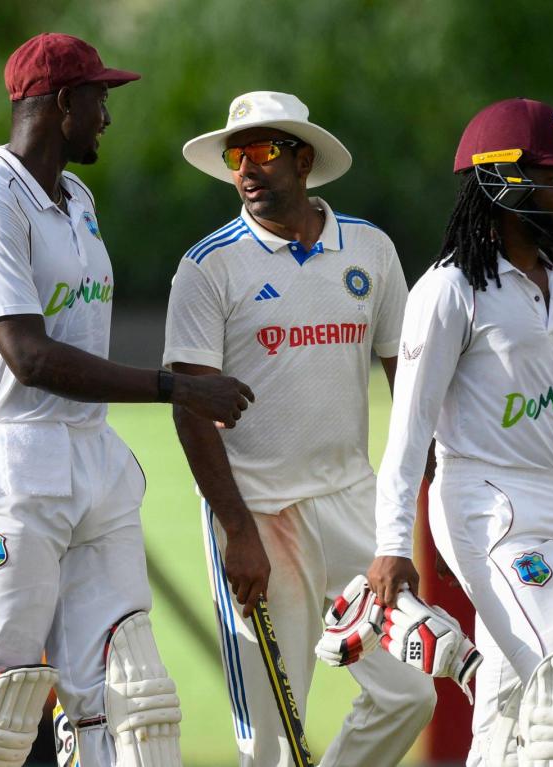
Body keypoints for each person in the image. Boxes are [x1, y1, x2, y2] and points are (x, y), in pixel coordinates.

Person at [0, 33, 253, 767]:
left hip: (90, 458)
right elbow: (29, 357)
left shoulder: (78, 201)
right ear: (63, 103)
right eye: (99, 98)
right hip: (7, 465)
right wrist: (175, 387)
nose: (107, 116)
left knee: (133, 698)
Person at [164, 90, 436, 766]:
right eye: (236, 155)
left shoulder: (370, 248)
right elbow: (188, 407)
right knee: (269, 742)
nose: (246, 168)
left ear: (304, 159)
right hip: (256, 515)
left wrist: (417, 481)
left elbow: (406, 376)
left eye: (262, 150)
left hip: (351, 506)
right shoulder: (208, 264)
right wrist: (237, 530)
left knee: (409, 693)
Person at [368, 98, 553, 767]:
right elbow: (409, 427)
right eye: (552, 178)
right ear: (502, 180)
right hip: (492, 508)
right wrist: (393, 545)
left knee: (508, 719)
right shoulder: (448, 289)